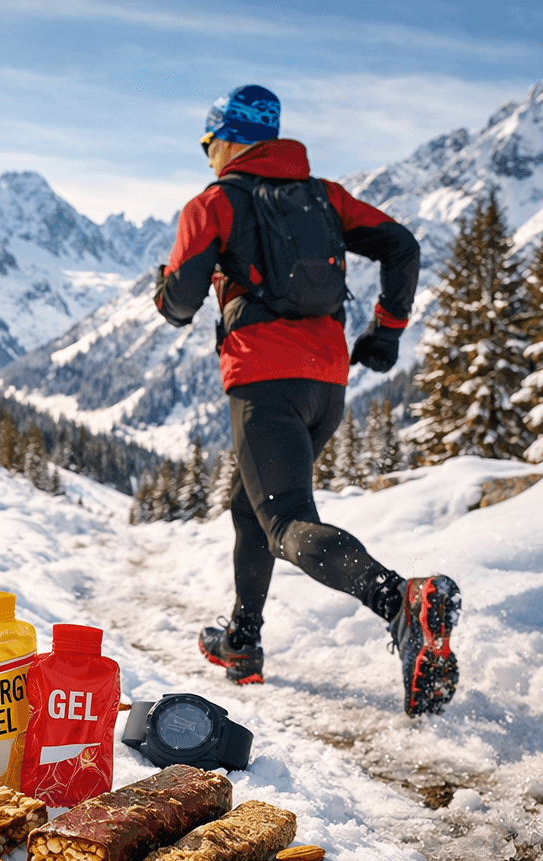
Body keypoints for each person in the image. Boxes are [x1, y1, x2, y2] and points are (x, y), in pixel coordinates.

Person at [154, 84, 459, 716]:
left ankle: (400, 600)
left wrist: (166, 291)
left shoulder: (213, 203)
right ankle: (242, 640)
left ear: (229, 137)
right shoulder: (327, 197)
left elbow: (181, 303)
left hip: (263, 381)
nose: (207, 155)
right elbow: (401, 244)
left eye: (208, 142)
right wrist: (387, 331)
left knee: (285, 518)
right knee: (251, 505)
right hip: (327, 382)